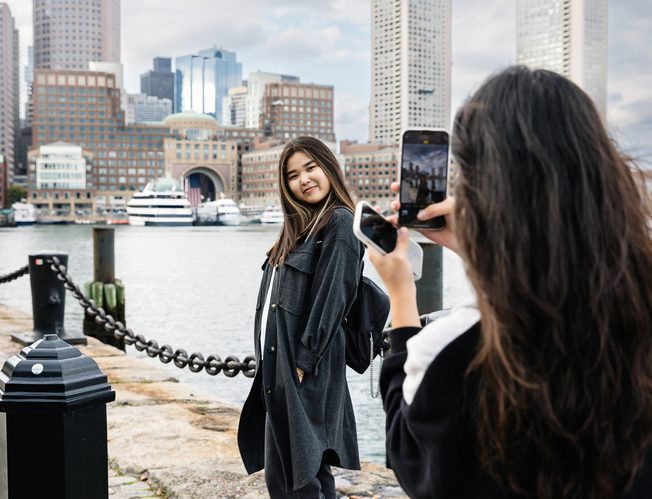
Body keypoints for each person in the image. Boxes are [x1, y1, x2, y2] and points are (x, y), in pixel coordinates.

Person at [368, 66, 652, 499]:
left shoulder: (455, 350)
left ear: (485, 195)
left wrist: (402, 297)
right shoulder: (637, 307)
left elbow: (414, 461)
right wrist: (475, 246)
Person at [238, 136, 362, 498]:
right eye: (293, 175)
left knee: (299, 476)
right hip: (282, 365)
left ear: (329, 167)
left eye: (311, 168)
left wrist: (304, 362)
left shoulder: (340, 223)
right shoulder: (303, 226)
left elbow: (332, 298)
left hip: (305, 368)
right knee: (294, 473)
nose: (304, 179)